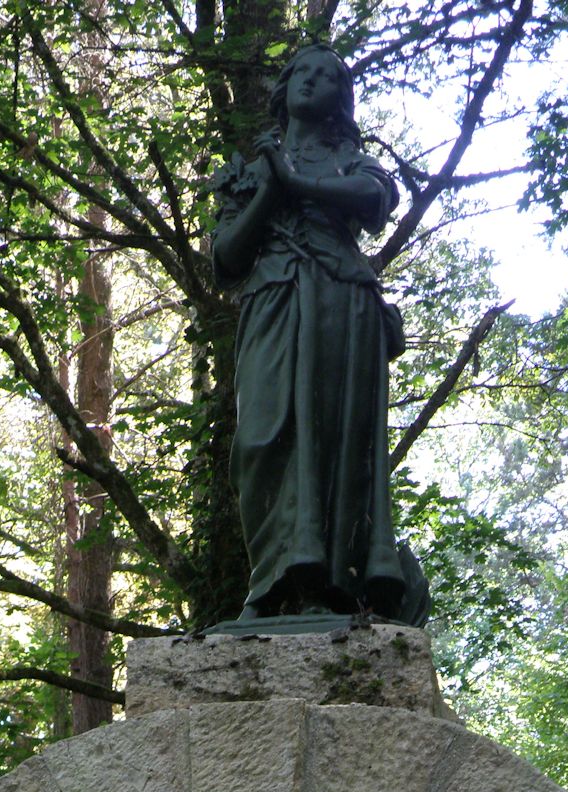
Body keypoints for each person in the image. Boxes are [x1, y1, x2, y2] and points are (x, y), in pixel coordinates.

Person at [212, 44, 430, 625]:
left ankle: (325, 582)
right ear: (283, 88)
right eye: (301, 71)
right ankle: (270, 579)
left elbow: (374, 202)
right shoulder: (249, 168)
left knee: (333, 435)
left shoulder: (353, 161)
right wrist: (272, 189)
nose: (311, 80)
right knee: (259, 437)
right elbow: (225, 258)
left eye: (327, 76)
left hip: (340, 302)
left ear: (341, 100)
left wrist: (297, 183)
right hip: (274, 301)